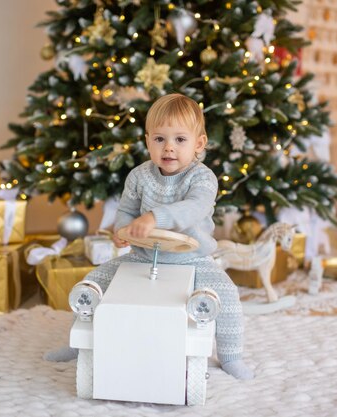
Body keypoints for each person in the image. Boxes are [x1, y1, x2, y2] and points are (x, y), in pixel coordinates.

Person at [46, 93, 254, 380]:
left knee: (227, 293)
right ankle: (80, 344)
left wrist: (156, 217)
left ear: (199, 143)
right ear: (148, 141)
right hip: (142, 257)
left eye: (180, 140)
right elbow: (126, 211)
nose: (169, 148)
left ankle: (231, 357)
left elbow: (195, 208)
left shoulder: (203, 178)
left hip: (192, 260)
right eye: (160, 139)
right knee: (92, 283)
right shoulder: (139, 176)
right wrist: (123, 231)